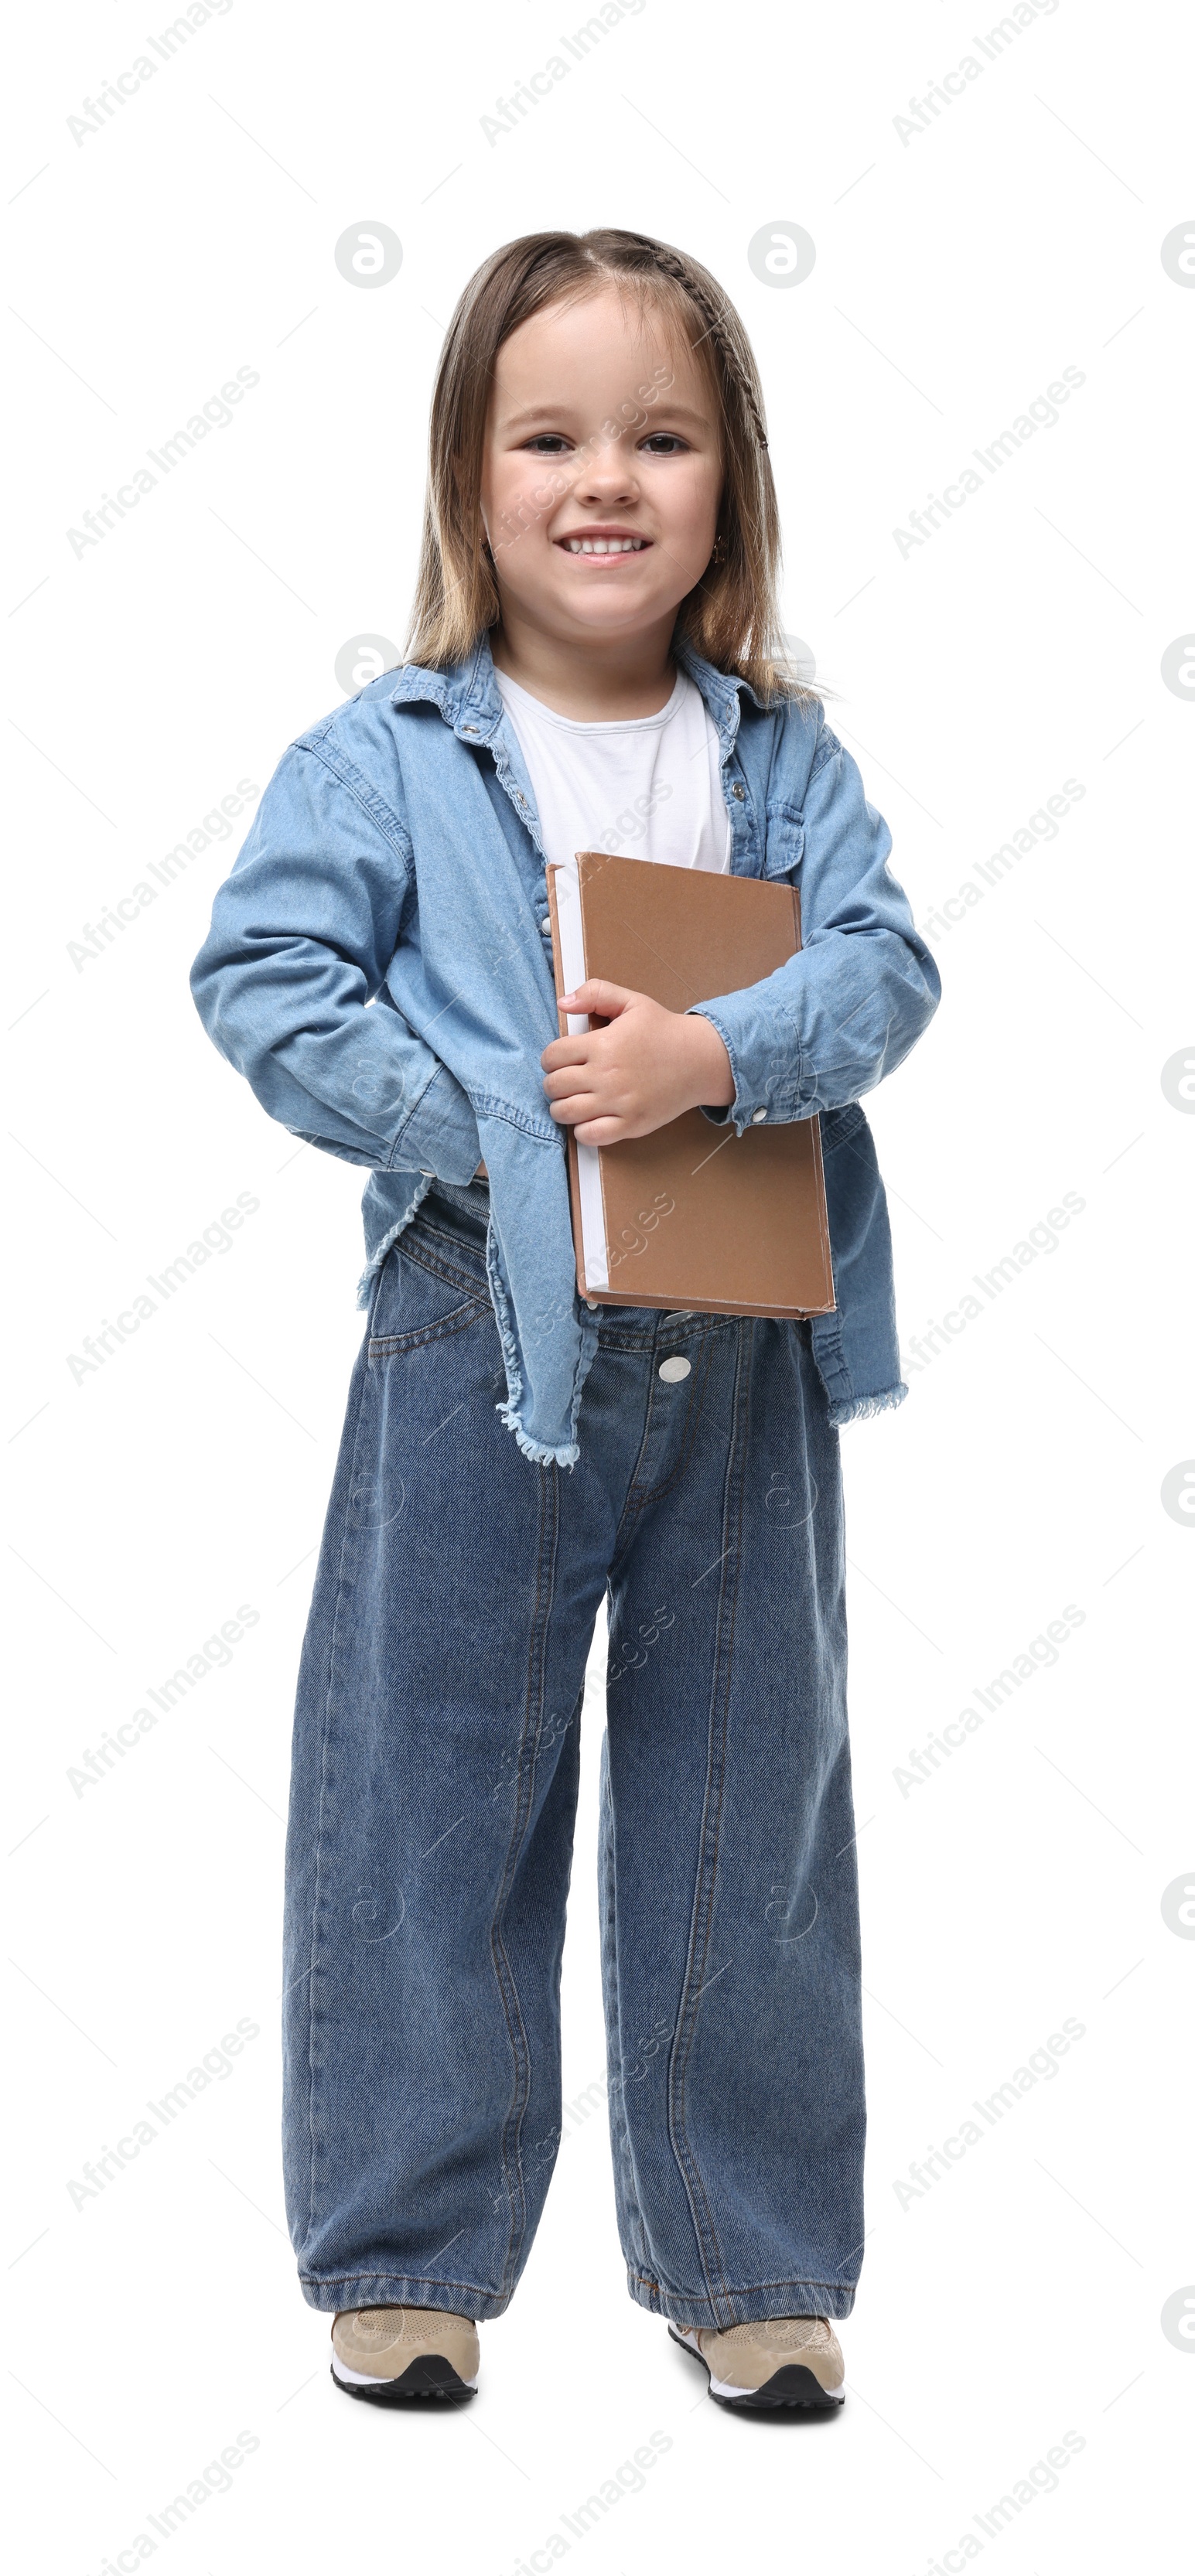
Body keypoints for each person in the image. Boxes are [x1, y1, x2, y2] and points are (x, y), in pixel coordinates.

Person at [190, 227, 941, 2415]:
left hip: (738, 1345)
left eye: (663, 435)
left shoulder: (777, 755)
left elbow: (881, 962)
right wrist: (501, 1121)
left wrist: (708, 1063)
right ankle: (410, 2250)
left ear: (730, 483)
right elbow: (263, 980)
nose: (605, 479)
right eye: (552, 435)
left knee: (744, 1809)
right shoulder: (391, 748)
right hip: (479, 1336)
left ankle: (753, 2257)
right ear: (472, 476)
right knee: (433, 1790)